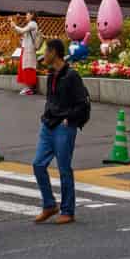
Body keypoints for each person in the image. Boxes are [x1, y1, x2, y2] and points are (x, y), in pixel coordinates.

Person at [33, 38, 90, 225]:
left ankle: (67, 210)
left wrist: (70, 119)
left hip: (64, 126)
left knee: (64, 168)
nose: (44, 55)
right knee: (38, 164)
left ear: (54, 53)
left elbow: (83, 103)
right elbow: (51, 100)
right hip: (48, 124)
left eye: (46, 51)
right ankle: (49, 205)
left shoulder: (71, 76)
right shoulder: (51, 75)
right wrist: (46, 116)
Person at [12, 12, 42, 96]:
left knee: (28, 67)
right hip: (26, 48)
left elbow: (22, 30)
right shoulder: (30, 24)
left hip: (29, 49)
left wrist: (14, 26)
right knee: (25, 67)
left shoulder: (33, 24)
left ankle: (29, 88)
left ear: (32, 15)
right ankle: (27, 87)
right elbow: (22, 33)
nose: (26, 16)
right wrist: (14, 27)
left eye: (27, 14)